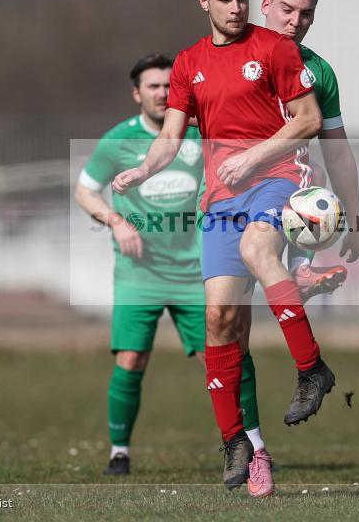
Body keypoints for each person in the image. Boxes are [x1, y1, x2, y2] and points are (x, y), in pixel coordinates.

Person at [112, 0, 335, 496]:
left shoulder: (275, 49)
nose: (236, 8)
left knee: (262, 248)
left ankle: (311, 369)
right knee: (219, 321)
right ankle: (236, 440)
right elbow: (170, 137)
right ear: (204, 1)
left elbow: (307, 120)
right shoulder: (188, 64)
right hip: (222, 200)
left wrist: (256, 157)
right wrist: (144, 168)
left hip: (279, 178)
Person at [76, 53, 250, 476]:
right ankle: (119, 451)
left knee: (224, 358)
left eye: (168, 86)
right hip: (140, 275)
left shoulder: (198, 133)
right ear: (137, 93)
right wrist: (117, 223)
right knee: (131, 360)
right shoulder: (118, 139)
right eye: (152, 86)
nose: (161, 93)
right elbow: (85, 191)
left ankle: (245, 446)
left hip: (196, 272)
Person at [261, 0, 359, 300]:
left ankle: (300, 271)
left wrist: (355, 221)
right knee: (226, 318)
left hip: (283, 189)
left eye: (306, 14)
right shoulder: (235, 55)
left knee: (315, 171)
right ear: (266, 4)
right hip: (229, 190)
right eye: (287, 10)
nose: (295, 21)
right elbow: (184, 117)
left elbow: (338, 153)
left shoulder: (318, 72)